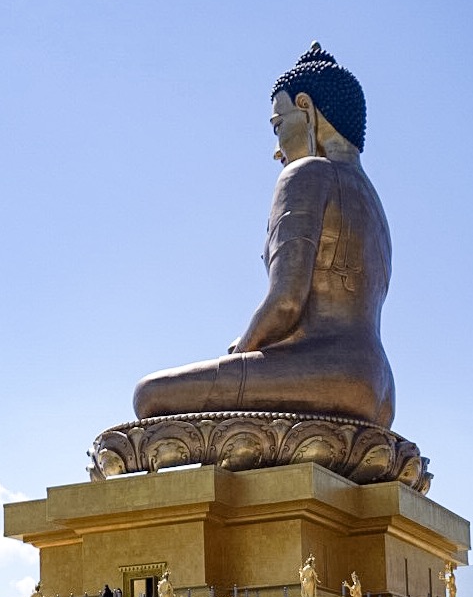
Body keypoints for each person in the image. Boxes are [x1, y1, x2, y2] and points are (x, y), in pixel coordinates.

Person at [134, 42, 395, 428]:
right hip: (381, 389)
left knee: (149, 395)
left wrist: (242, 351)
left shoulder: (307, 174)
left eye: (279, 125)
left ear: (306, 108)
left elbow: (287, 302)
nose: (277, 150)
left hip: (326, 370)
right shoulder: (372, 201)